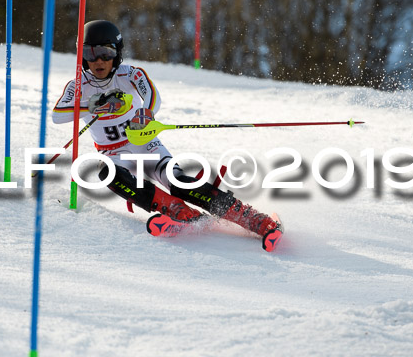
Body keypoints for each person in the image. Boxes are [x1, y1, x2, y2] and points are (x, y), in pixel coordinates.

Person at [52, 20, 281, 243]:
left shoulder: (130, 74)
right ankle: (179, 212)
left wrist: (147, 113)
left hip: (145, 144)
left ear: (117, 53)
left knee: (178, 181)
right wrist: (93, 105)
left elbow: (152, 95)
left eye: (105, 53)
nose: (98, 61)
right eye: (90, 53)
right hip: (113, 153)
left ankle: (254, 220)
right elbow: (58, 114)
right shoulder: (78, 86)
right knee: (108, 173)